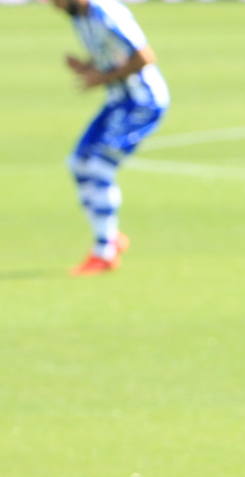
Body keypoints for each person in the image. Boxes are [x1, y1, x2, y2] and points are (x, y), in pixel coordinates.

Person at [49, 0, 170, 275]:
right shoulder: (78, 16)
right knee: (78, 162)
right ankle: (110, 238)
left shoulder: (108, 12)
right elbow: (111, 54)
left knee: (99, 166)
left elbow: (144, 56)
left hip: (142, 102)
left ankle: (105, 251)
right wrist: (89, 67)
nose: (51, 5)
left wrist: (101, 79)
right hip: (119, 100)